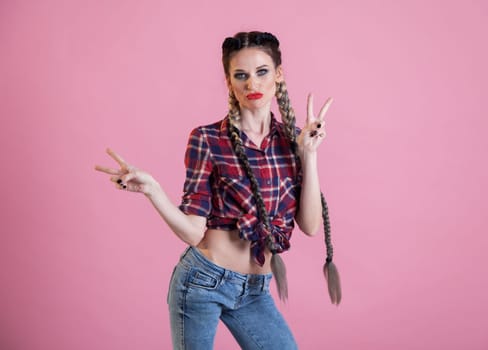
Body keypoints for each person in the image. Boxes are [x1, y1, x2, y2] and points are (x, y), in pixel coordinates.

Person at [95, 31, 341, 350]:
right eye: (241, 75)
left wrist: (309, 153)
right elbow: (193, 232)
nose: (252, 83)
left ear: (278, 75)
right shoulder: (208, 139)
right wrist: (153, 190)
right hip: (203, 282)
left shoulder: (295, 139)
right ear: (229, 82)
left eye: (262, 72)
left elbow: (309, 226)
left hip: (255, 289)